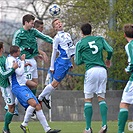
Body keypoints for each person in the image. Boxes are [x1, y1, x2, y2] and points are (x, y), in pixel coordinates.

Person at [6, 45, 61, 133]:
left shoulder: (15, 59)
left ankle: (47, 129)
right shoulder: (11, 60)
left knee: (38, 106)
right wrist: (23, 61)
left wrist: (24, 63)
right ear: (16, 52)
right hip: (18, 87)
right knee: (34, 103)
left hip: (22, 85)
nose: (20, 53)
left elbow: (19, 67)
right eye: (19, 51)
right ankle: (24, 124)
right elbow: (19, 72)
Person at [74, 23, 113, 133]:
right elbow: (110, 50)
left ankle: (87, 128)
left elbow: (77, 61)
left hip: (91, 71)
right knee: (101, 97)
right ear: (91, 30)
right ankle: (104, 125)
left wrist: (86, 59)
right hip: (102, 70)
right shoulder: (100, 39)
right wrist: (108, 59)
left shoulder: (80, 43)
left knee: (88, 99)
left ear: (82, 32)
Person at [38, 18, 75, 109]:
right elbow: (54, 52)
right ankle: (40, 97)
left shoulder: (67, 34)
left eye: (59, 22)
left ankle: (46, 97)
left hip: (67, 62)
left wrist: (70, 62)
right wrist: (51, 66)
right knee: (54, 83)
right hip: (61, 62)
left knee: (55, 84)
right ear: (55, 28)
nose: (59, 24)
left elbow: (70, 48)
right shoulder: (57, 38)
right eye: (56, 24)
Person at [12, 14, 53, 96]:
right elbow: (14, 48)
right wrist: (21, 58)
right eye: (32, 23)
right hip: (25, 62)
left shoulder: (33, 31)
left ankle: (32, 104)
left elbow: (45, 37)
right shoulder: (19, 33)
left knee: (35, 84)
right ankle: (27, 103)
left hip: (32, 60)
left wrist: (57, 42)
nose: (33, 25)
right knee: (28, 84)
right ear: (26, 22)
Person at [117, 24, 133, 133]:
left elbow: (132, 61)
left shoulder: (129, 46)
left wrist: (127, 69)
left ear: (124, 35)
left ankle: (120, 131)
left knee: (124, 103)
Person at [0, 42, 18, 133]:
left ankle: (6, 128)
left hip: (11, 84)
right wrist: (13, 69)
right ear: (1, 49)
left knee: (12, 107)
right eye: (3, 47)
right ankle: (5, 129)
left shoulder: (4, 58)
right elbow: (3, 75)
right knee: (11, 107)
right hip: (5, 86)